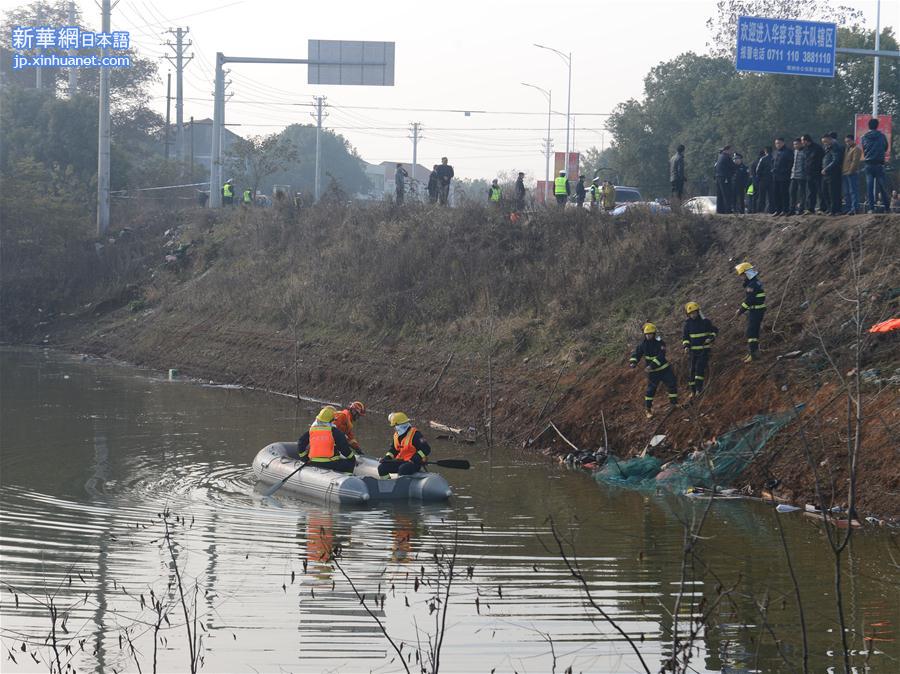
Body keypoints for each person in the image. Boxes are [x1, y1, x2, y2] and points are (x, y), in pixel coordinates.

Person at [629, 323, 678, 418]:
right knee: (651, 390)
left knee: (672, 384)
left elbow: (661, 356)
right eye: (646, 334)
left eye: (650, 334)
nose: (648, 336)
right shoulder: (643, 345)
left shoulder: (660, 343)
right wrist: (633, 362)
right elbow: (636, 354)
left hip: (664, 370)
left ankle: (674, 403)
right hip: (653, 373)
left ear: (654, 334)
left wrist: (651, 366)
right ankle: (648, 409)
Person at [296, 406, 356, 473]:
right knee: (350, 463)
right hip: (330, 463)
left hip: (313, 462)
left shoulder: (311, 431)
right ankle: (346, 479)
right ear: (331, 420)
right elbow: (344, 449)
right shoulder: (335, 432)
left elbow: (300, 443)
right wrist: (352, 458)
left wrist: (305, 458)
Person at [681, 302, 718, 397]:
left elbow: (714, 331)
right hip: (693, 352)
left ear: (698, 312)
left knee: (699, 369)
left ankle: (698, 389)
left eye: (695, 313)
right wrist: (686, 347)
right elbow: (685, 337)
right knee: (692, 370)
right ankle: (692, 391)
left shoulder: (705, 322)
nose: (693, 315)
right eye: (691, 313)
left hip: (704, 350)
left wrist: (711, 338)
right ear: (688, 314)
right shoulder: (687, 324)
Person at [378, 412, 431, 477]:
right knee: (382, 468)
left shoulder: (416, 435)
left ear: (399, 426)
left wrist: (415, 458)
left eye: (395, 426)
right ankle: (387, 484)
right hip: (400, 461)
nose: (394, 428)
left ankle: (401, 485)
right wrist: (387, 458)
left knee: (403, 469)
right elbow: (394, 449)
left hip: (413, 463)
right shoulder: (396, 435)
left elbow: (426, 449)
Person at [734, 262, 766, 363]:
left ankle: (754, 354)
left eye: (743, 275)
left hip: (756, 310)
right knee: (752, 332)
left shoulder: (752, 285)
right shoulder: (755, 282)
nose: (742, 277)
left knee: (751, 332)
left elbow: (749, 300)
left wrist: (740, 310)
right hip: (756, 310)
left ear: (747, 273)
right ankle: (752, 353)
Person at [860, 117, 890, 213]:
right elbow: (885, 147)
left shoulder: (864, 137)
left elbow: (864, 148)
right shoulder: (882, 136)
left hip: (868, 164)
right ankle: (887, 208)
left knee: (869, 187)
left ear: (868, 126)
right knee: (882, 187)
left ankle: (871, 208)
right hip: (879, 164)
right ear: (877, 126)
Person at [820, 134, 843, 216]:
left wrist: (826, 168)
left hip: (833, 173)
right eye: (823, 142)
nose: (824, 143)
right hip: (826, 174)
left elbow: (835, 160)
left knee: (833, 193)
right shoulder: (827, 148)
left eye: (826, 141)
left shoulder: (835, 147)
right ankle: (829, 208)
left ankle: (834, 210)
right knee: (824, 191)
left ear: (830, 140)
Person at [801, 134, 824, 214]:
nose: (802, 142)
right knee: (811, 192)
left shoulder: (817, 148)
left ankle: (822, 208)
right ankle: (810, 208)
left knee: (820, 191)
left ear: (807, 140)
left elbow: (821, 160)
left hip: (818, 173)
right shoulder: (805, 149)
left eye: (802, 140)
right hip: (809, 173)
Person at [770, 138, 792, 215]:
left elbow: (790, 164)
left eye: (779, 143)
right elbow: (772, 162)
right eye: (776, 143)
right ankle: (778, 210)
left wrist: (784, 171)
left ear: (783, 143)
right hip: (775, 176)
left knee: (784, 193)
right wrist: (772, 169)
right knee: (776, 193)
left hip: (784, 176)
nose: (777, 145)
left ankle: (785, 209)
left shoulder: (788, 152)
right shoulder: (775, 152)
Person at [842, 134, 862, 214]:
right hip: (845, 173)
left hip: (852, 173)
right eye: (846, 142)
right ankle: (848, 208)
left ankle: (855, 208)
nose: (847, 143)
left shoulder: (856, 149)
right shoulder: (847, 149)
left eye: (849, 141)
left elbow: (855, 162)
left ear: (853, 140)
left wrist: (850, 171)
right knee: (846, 192)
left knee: (853, 191)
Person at [789, 138, 807, 216]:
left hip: (802, 176)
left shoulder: (805, 152)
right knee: (792, 192)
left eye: (796, 144)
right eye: (794, 144)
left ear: (801, 144)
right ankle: (792, 209)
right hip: (793, 175)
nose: (795, 146)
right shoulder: (795, 152)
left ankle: (801, 208)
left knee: (801, 193)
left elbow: (806, 164)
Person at [715, 146, 735, 214]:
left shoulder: (720, 157)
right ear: (727, 150)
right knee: (726, 194)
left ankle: (719, 210)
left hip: (718, 177)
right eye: (730, 150)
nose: (731, 152)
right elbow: (733, 167)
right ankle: (727, 210)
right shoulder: (727, 157)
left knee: (720, 194)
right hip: (725, 177)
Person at [752, 148, 772, 214]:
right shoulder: (773, 158)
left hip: (761, 180)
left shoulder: (759, 160)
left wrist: (759, 178)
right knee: (770, 196)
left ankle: (759, 210)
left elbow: (757, 171)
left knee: (761, 196)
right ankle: (770, 210)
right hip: (771, 180)